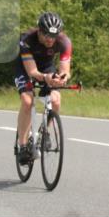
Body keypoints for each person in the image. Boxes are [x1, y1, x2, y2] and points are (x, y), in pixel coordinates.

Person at [14, 12, 72, 163]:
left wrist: (63, 77)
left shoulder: (64, 42)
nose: (50, 39)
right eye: (46, 35)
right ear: (39, 31)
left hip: (46, 66)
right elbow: (32, 72)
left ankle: (46, 132)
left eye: (53, 36)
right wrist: (45, 78)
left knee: (56, 99)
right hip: (25, 66)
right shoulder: (26, 39)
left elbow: (65, 69)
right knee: (27, 101)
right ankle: (22, 146)